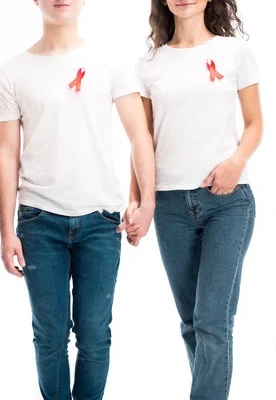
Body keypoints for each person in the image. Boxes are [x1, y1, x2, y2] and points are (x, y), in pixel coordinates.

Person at [0, 1, 156, 399]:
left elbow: (139, 134)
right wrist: (6, 230)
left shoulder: (108, 61)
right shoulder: (13, 70)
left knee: (94, 336)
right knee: (49, 338)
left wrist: (147, 201)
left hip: (101, 223)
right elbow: (5, 155)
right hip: (38, 221)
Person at [135, 1, 263, 399]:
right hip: (170, 208)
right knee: (192, 323)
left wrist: (235, 163)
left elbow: (256, 123)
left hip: (227, 201)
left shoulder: (234, 53)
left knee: (211, 319)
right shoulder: (149, 63)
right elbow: (143, 142)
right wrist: (138, 201)